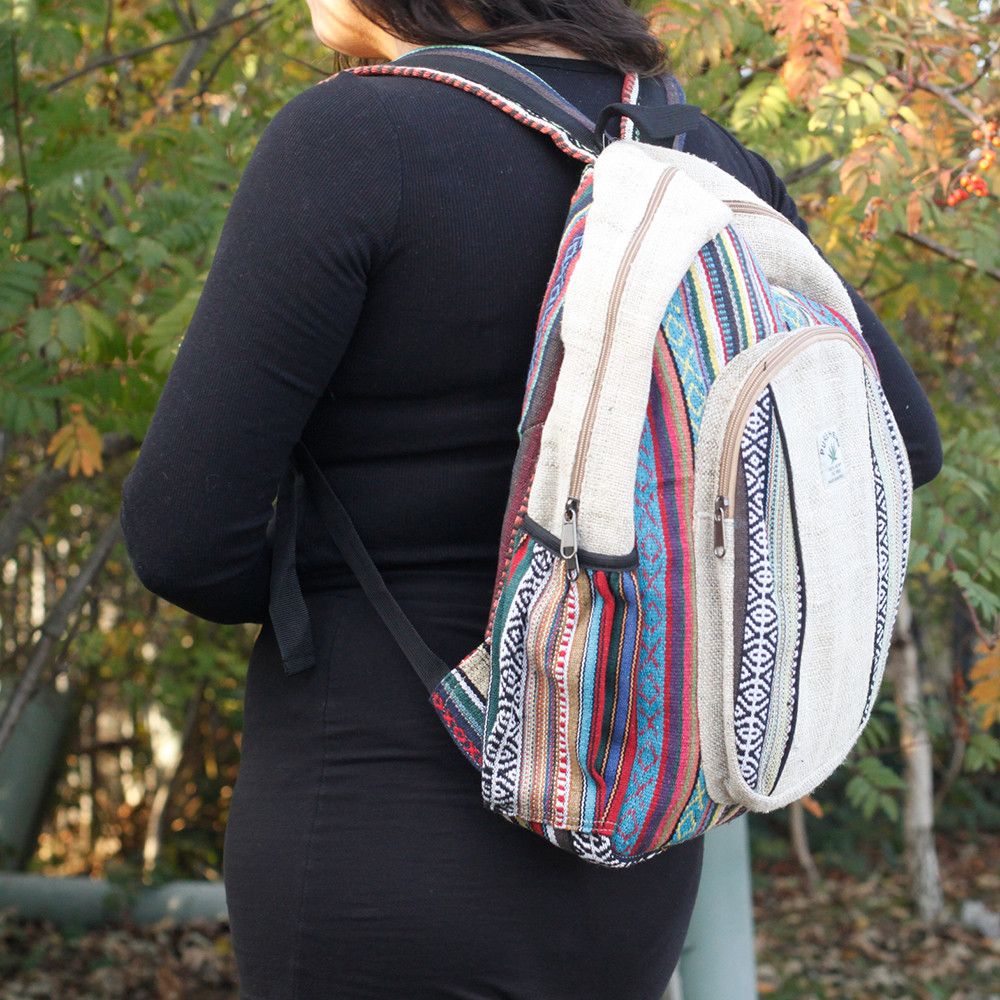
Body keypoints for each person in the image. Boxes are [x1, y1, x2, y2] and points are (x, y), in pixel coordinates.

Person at [118, 2, 943, 998]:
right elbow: (904, 443)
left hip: (379, 815)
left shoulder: (353, 139)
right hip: (628, 837)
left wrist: (326, 589)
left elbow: (181, 537)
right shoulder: (696, 158)